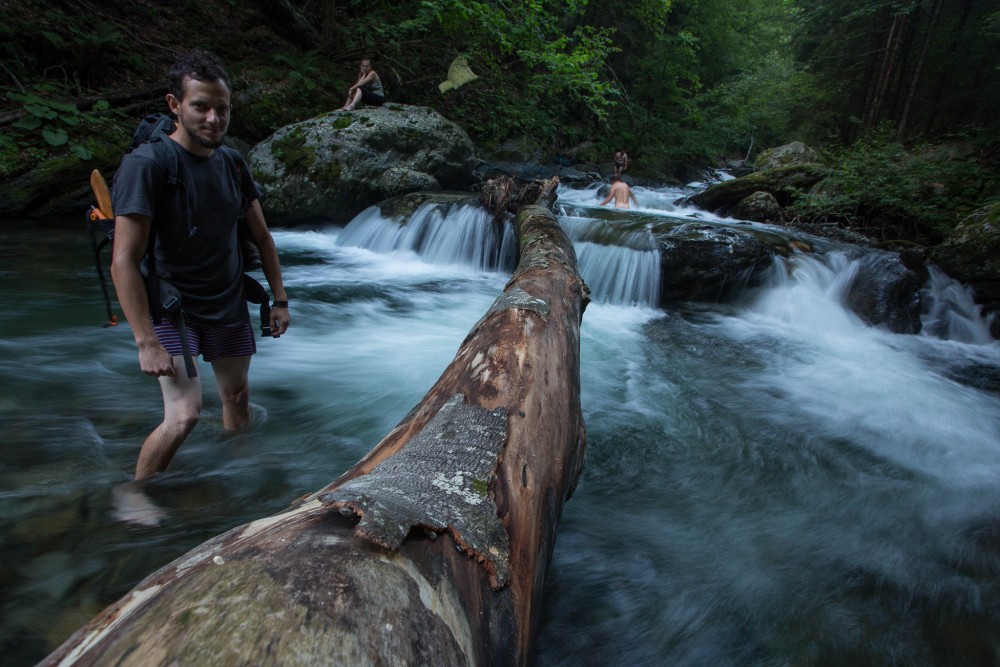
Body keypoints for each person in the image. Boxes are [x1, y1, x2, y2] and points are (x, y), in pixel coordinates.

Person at [110, 50, 290, 525]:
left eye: (223, 108)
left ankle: (236, 474)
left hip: (228, 300)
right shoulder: (148, 166)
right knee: (185, 414)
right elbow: (124, 261)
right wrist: (146, 340)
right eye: (201, 107)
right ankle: (134, 491)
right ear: (175, 104)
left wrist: (279, 299)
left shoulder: (231, 163)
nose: (214, 118)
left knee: (236, 398)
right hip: (174, 311)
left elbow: (262, 236)